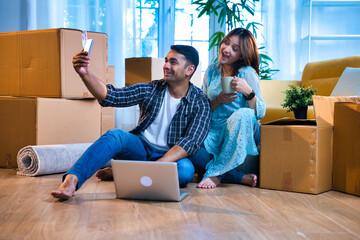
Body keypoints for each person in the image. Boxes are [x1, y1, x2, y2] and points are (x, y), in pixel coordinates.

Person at [51, 45, 212, 199]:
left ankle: (124, 172)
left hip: (171, 155)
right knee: (115, 135)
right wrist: (84, 73)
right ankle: (72, 180)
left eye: (173, 62)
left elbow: (189, 143)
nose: (166, 65)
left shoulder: (201, 102)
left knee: (185, 171)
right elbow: (111, 96)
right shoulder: (152, 88)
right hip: (141, 148)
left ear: (189, 70)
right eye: (166, 60)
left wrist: (156, 165)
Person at [189, 28, 266, 189]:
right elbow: (201, 108)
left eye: (235, 48)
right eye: (226, 43)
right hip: (214, 132)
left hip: (240, 132)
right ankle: (238, 177)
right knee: (188, 143)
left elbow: (260, 114)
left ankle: (216, 174)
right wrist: (217, 100)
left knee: (243, 114)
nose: (226, 49)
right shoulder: (212, 69)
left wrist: (248, 92)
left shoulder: (247, 73)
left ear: (242, 55)